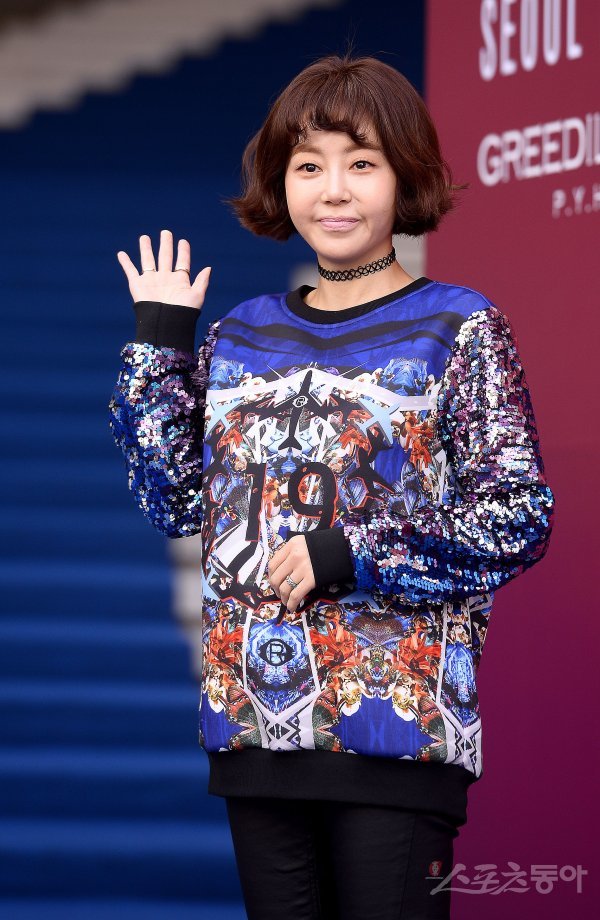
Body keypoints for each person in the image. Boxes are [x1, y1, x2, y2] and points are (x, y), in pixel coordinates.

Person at [108, 52, 556, 920]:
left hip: (397, 732)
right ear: (282, 184)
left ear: (405, 176)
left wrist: (352, 550)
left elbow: (518, 516)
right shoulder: (239, 335)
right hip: (253, 724)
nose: (334, 190)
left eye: (362, 163)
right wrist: (159, 347)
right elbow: (175, 502)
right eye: (309, 166)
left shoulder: (459, 326)